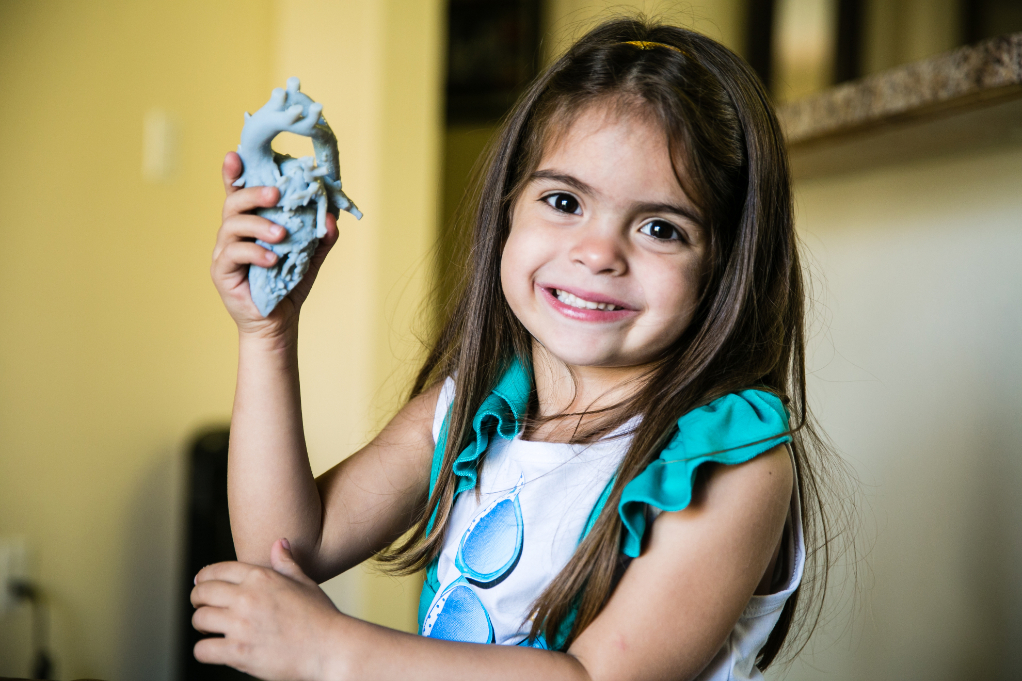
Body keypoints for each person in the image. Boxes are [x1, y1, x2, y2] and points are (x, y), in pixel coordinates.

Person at [194, 16, 840, 681]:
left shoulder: (731, 462)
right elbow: (285, 545)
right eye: (563, 200)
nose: (596, 253)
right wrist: (266, 332)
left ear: (724, 265)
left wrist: (332, 649)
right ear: (508, 212)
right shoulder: (476, 408)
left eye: (660, 227)